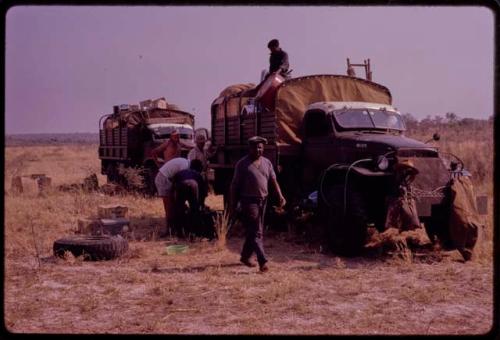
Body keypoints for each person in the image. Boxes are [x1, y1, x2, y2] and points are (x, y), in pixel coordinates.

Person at [229, 136, 286, 272]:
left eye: (260, 147)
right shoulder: (242, 164)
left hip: (263, 201)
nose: (258, 150)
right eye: (255, 147)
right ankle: (263, 261)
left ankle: (245, 256)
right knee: (256, 232)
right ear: (250, 148)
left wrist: (280, 196)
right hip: (248, 201)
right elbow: (234, 186)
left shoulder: (267, 163)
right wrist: (232, 206)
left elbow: (273, 180)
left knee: (253, 231)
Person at [171, 159, 208, 238]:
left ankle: (179, 232)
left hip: (180, 186)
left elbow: (173, 189)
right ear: (199, 168)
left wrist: (178, 203)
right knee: (195, 210)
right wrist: (201, 204)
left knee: (178, 210)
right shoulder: (198, 175)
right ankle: (195, 233)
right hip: (192, 185)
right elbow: (202, 193)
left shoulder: (180, 173)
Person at [154, 157, 190, 237]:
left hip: (168, 179)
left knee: (174, 205)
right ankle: (168, 230)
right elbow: (180, 182)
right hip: (163, 179)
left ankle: (174, 228)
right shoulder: (185, 166)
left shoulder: (185, 162)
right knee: (169, 207)